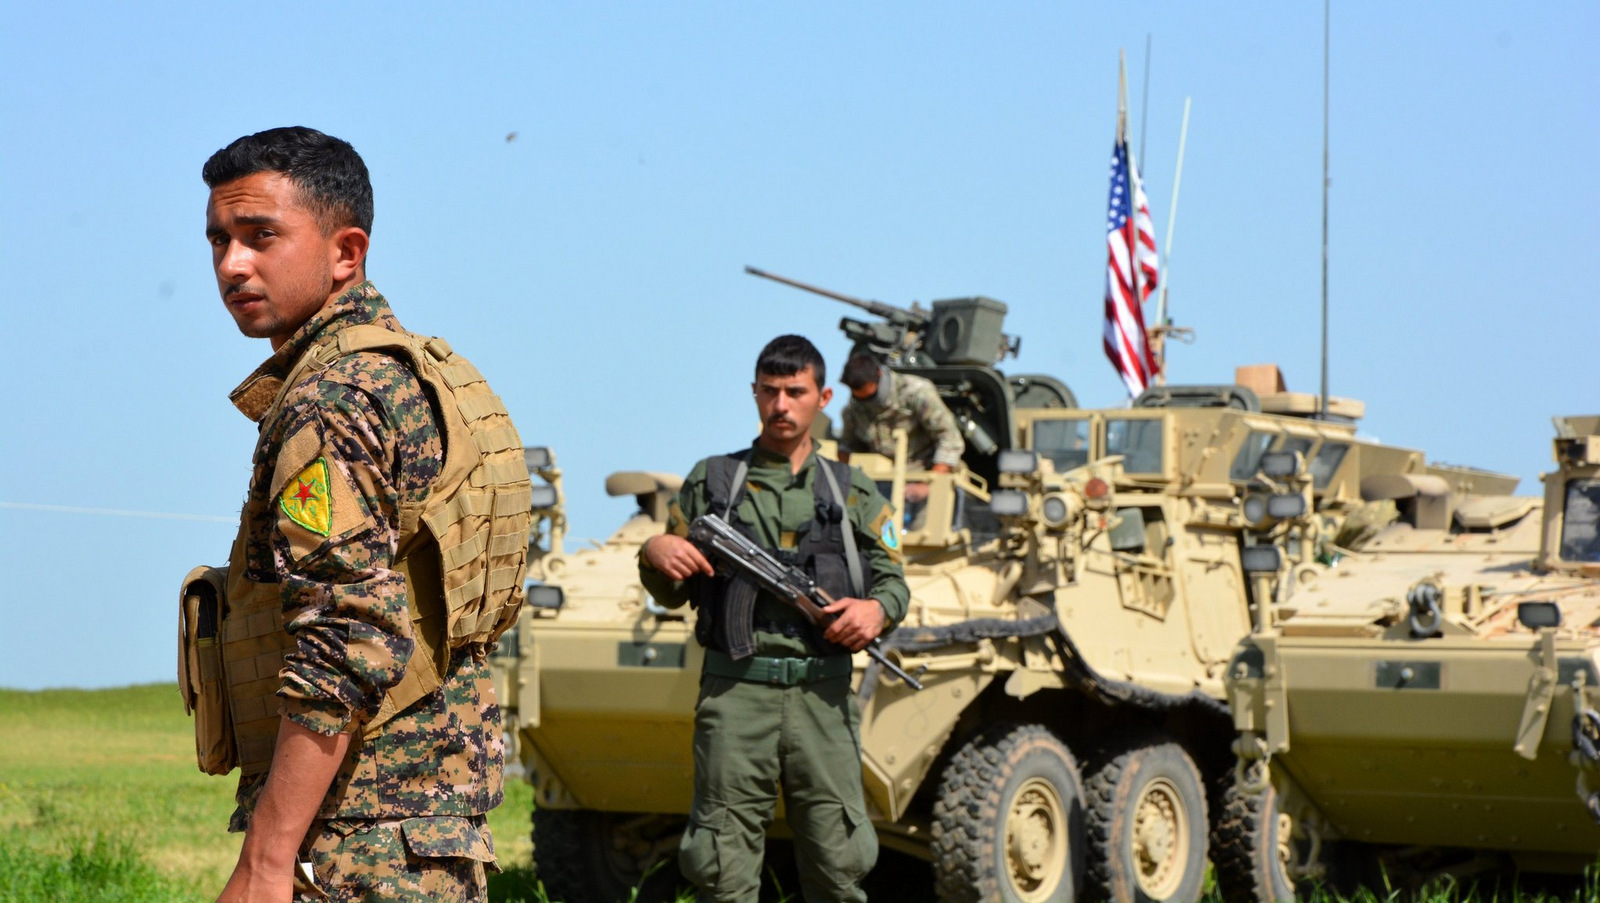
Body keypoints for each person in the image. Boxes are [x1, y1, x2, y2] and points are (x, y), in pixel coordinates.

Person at [199, 127, 525, 902]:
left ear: (347, 252)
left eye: (260, 236)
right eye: (218, 239)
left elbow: (350, 632)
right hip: (426, 831)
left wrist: (269, 859)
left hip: (352, 837)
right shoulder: (411, 372)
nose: (231, 264)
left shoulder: (332, 399)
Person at [639, 335, 910, 903]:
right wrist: (655, 553)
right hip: (736, 694)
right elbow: (669, 592)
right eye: (770, 392)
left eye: (796, 392)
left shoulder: (851, 489)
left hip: (823, 700)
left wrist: (876, 610)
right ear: (755, 394)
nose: (781, 405)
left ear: (823, 397)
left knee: (840, 864)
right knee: (721, 866)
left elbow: (893, 581)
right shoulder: (714, 481)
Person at [837, 352, 964, 507]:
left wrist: (928, 485)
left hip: (927, 480)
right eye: (858, 397)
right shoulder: (854, 409)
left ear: (879, 375)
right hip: (881, 486)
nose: (865, 402)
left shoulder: (915, 393)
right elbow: (847, 448)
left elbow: (950, 438)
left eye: (870, 397)